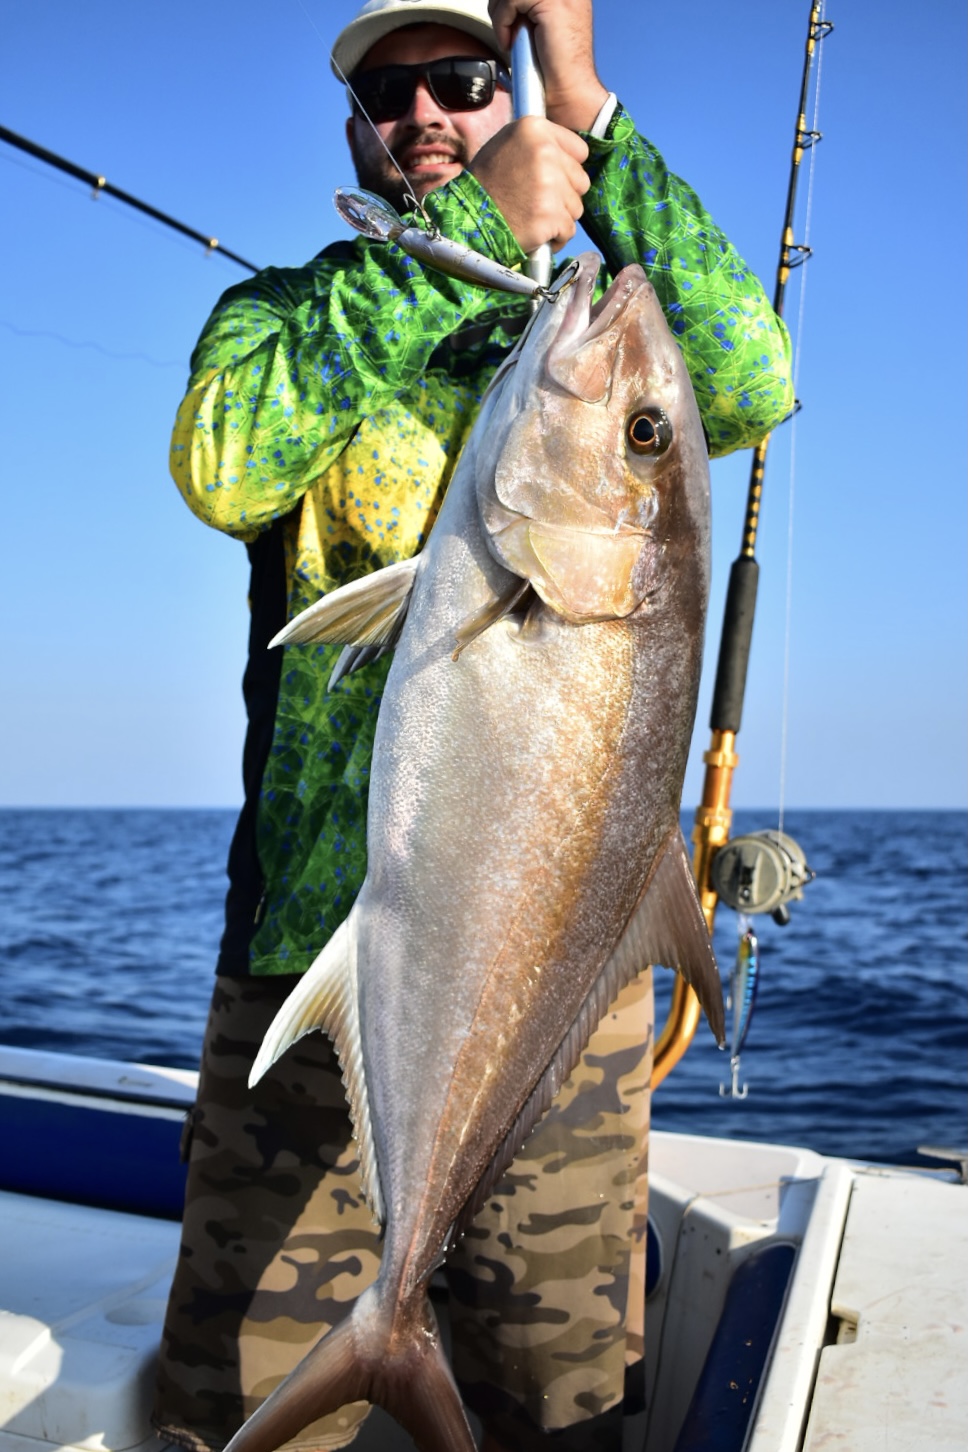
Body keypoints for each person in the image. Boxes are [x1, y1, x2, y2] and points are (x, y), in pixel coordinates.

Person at [153, 2, 794, 1450]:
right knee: (233, 1409)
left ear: (498, 93)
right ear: (355, 132)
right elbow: (222, 458)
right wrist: (485, 243)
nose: (426, 114)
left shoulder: (565, 332)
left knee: (563, 1409)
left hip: (557, 998)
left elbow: (747, 381)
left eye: (459, 80)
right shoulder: (291, 314)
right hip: (310, 964)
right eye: (392, 95)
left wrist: (584, 98)